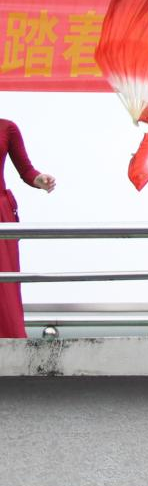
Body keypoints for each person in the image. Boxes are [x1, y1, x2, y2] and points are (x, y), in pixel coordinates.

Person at [0, 120, 55, 339]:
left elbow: (26, 169)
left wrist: (38, 179)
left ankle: (9, 340)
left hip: (1, 214)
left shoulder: (6, 128)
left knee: (4, 283)